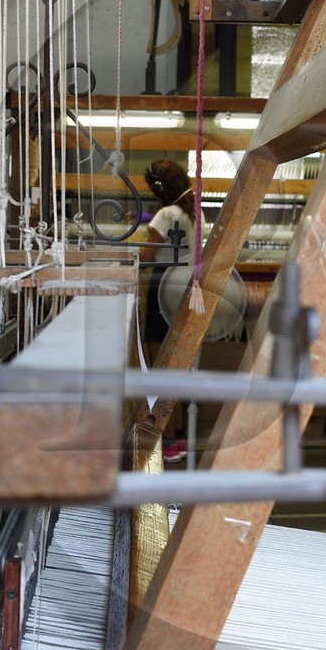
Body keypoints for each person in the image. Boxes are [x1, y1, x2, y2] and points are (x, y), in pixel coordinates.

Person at [140, 158, 201, 463]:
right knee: (176, 365)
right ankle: (178, 438)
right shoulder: (193, 212)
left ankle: (167, 440)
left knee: (161, 366)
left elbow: (146, 255)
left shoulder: (165, 215)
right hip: (184, 288)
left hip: (162, 288)